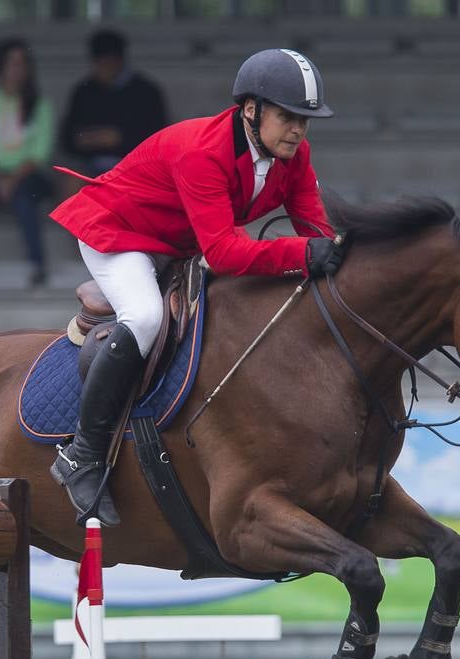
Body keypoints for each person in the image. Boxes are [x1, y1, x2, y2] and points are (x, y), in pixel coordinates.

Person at [48, 48, 344, 526]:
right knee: (144, 317)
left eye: (305, 120)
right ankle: (82, 453)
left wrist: (335, 253)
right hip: (120, 234)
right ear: (251, 110)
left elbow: (315, 228)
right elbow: (226, 252)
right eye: (288, 117)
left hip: (179, 242)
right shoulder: (203, 152)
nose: (298, 130)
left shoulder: (293, 154)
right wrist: (303, 255)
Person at [0, 37, 54, 286]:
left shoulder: (40, 105)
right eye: (11, 63)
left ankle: (38, 266)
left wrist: (11, 181)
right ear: (0, 67)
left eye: (22, 64)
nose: (17, 70)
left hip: (27, 175)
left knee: (27, 199)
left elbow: (39, 154)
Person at [58, 29, 168, 188]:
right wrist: (83, 140)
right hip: (91, 166)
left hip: (132, 166)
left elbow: (157, 138)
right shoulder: (84, 91)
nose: (103, 69)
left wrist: (119, 138)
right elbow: (67, 138)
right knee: (71, 184)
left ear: (119, 61)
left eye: (107, 63)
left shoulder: (146, 92)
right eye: (98, 63)